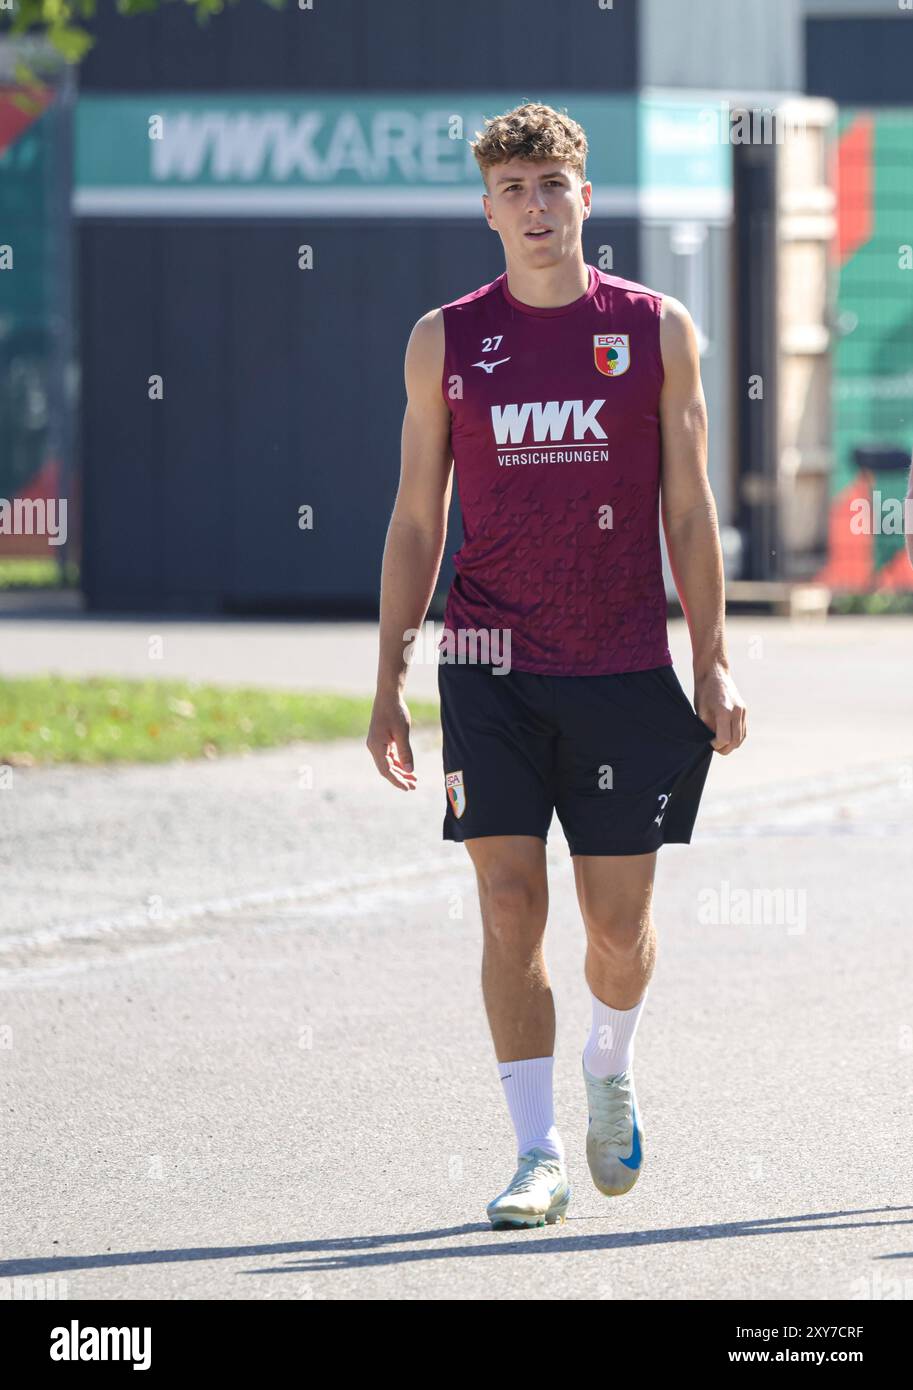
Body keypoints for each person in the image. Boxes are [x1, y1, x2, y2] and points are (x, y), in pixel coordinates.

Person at [367, 102, 747, 1230]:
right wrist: (388, 675)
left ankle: (609, 1057)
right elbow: (412, 521)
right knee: (504, 900)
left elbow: (688, 505)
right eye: (512, 191)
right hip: (486, 661)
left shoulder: (655, 328)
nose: (534, 208)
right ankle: (535, 1154)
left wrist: (714, 663)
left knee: (617, 931)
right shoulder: (445, 339)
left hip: (622, 662)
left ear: (586, 196)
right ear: (486, 209)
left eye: (551, 186)